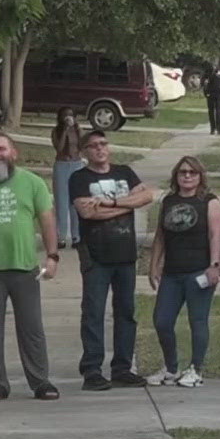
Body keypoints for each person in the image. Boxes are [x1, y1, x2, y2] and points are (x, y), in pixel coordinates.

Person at [0, 132, 60, 401]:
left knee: (32, 328)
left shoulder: (32, 183)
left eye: (1, 149)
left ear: (14, 153)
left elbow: (47, 220)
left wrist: (53, 256)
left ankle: (40, 382)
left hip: (25, 269)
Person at [69, 130, 152, 390]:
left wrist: (110, 202)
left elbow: (148, 196)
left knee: (126, 313)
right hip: (96, 255)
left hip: (125, 255)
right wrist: (128, 205)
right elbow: (87, 212)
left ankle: (122, 368)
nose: (99, 149)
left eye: (103, 144)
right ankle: (92, 370)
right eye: (93, 146)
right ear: (84, 152)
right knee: (93, 313)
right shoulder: (79, 178)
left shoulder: (125, 172)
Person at [146, 156, 220, 388]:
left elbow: (215, 235)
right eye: (183, 172)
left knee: (197, 321)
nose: (187, 176)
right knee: (162, 320)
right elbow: (160, 235)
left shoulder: (210, 202)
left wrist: (214, 265)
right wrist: (154, 264)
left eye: (192, 172)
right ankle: (171, 368)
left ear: (200, 177)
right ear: (176, 176)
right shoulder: (168, 201)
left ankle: (196, 370)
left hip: (199, 272)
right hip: (172, 273)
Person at [49, 108, 84, 249]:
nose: (68, 118)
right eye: (65, 116)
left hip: (76, 164)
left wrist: (76, 128)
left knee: (75, 202)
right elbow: (59, 147)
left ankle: (77, 237)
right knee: (61, 202)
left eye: (70, 115)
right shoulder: (56, 131)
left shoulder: (78, 130)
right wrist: (64, 130)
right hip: (62, 165)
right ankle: (61, 237)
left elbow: (82, 145)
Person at [204, 66, 220, 136]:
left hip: (218, 95)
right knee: (211, 112)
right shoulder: (208, 73)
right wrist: (206, 93)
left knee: (218, 112)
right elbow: (204, 83)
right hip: (210, 94)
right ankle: (212, 128)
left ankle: (219, 129)